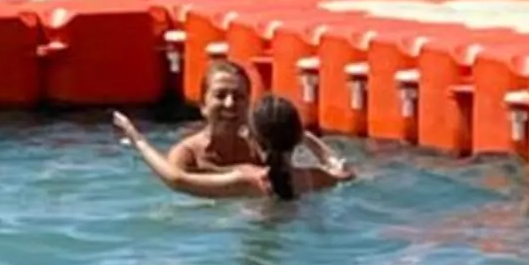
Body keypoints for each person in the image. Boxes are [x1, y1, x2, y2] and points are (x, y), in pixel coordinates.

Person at [113, 95, 355, 200]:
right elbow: (343, 171)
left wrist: (138, 140)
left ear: (254, 138)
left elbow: (177, 180)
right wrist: (309, 139)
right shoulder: (316, 177)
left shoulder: (247, 179)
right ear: (296, 136)